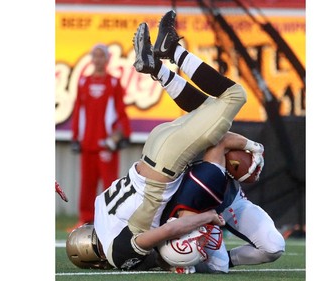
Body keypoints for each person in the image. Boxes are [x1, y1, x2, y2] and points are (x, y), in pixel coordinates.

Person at [66, 10, 263, 271]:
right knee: (205, 107)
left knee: (234, 95)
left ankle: (171, 50)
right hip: (155, 147)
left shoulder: (119, 253)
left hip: (165, 164)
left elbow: (165, 232)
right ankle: (156, 68)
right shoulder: (100, 209)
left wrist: (207, 218)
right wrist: (250, 145)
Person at [158, 131, 285, 273]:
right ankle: (167, 261)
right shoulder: (201, 183)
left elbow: (222, 137)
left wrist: (255, 147)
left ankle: (226, 259)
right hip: (200, 217)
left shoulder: (212, 168)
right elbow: (178, 224)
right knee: (218, 267)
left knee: (274, 247)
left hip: (231, 202)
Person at [69, 43, 132, 231]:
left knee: (110, 185)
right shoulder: (83, 82)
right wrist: (75, 137)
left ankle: (111, 220)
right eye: (94, 55)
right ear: (91, 59)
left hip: (107, 145)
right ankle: (86, 220)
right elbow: (78, 111)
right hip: (87, 144)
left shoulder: (113, 83)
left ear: (107, 59)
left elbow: (121, 111)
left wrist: (125, 134)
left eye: (101, 55)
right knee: (87, 185)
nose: (98, 59)